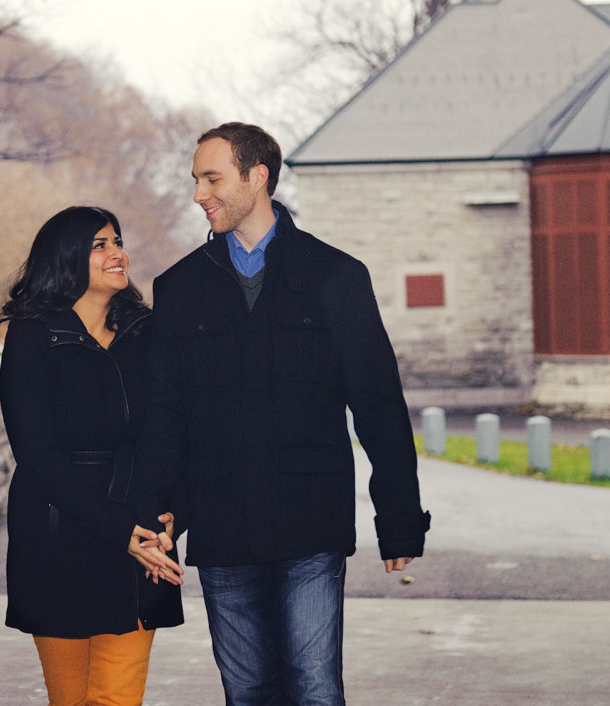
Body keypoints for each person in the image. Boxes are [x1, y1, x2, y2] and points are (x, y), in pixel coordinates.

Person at [137, 123, 431, 705]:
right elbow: (164, 415)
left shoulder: (337, 277)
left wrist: (398, 517)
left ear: (257, 177)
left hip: (309, 524)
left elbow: (378, 404)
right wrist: (160, 513)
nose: (199, 194)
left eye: (212, 178)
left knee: (314, 689)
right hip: (221, 523)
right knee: (247, 692)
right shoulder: (179, 288)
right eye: (196, 180)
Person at [0, 206, 185, 706]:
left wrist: (171, 514)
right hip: (58, 534)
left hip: (141, 534)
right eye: (99, 244)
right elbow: (35, 453)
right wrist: (117, 532)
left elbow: (175, 433)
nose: (117, 253)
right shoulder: (33, 334)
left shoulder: (150, 331)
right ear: (65, 258)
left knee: (117, 698)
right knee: (71, 698)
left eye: (117, 241)